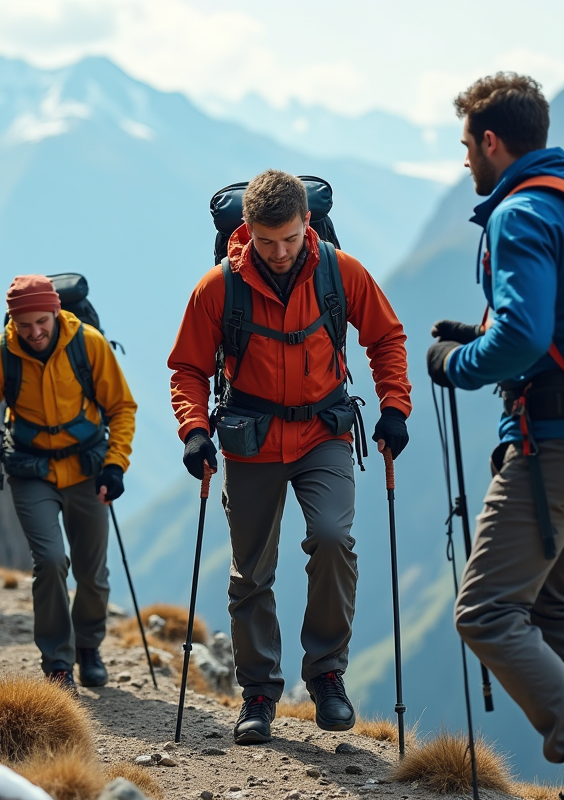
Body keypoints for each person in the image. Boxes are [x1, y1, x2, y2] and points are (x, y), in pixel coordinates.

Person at [426, 74, 564, 800]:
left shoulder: (519, 212)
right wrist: (487, 332)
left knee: (488, 610)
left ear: (492, 141)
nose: (466, 160)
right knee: (551, 602)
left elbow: (524, 335)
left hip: (557, 446)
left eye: (467, 145)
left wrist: (457, 363)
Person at [169, 170, 412, 745]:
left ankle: (327, 673)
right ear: (246, 230)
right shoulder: (217, 288)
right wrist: (194, 430)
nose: (279, 253)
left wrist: (394, 407)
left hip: (324, 433)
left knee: (332, 538)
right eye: (266, 240)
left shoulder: (339, 272)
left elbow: (386, 338)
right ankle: (258, 694)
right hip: (249, 441)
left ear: (308, 223)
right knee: (251, 570)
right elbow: (188, 368)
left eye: (290, 238)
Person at [0, 275, 137, 692]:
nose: (34, 332)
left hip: (88, 470)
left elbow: (122, 407)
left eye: (41, 321)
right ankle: (58, 662)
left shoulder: (88, 343)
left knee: (92, 573)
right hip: (30, 473)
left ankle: (88, 647)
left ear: (57, 312)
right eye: (24, 325)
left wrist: (116, 465)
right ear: (12, 321)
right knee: (51, 561)